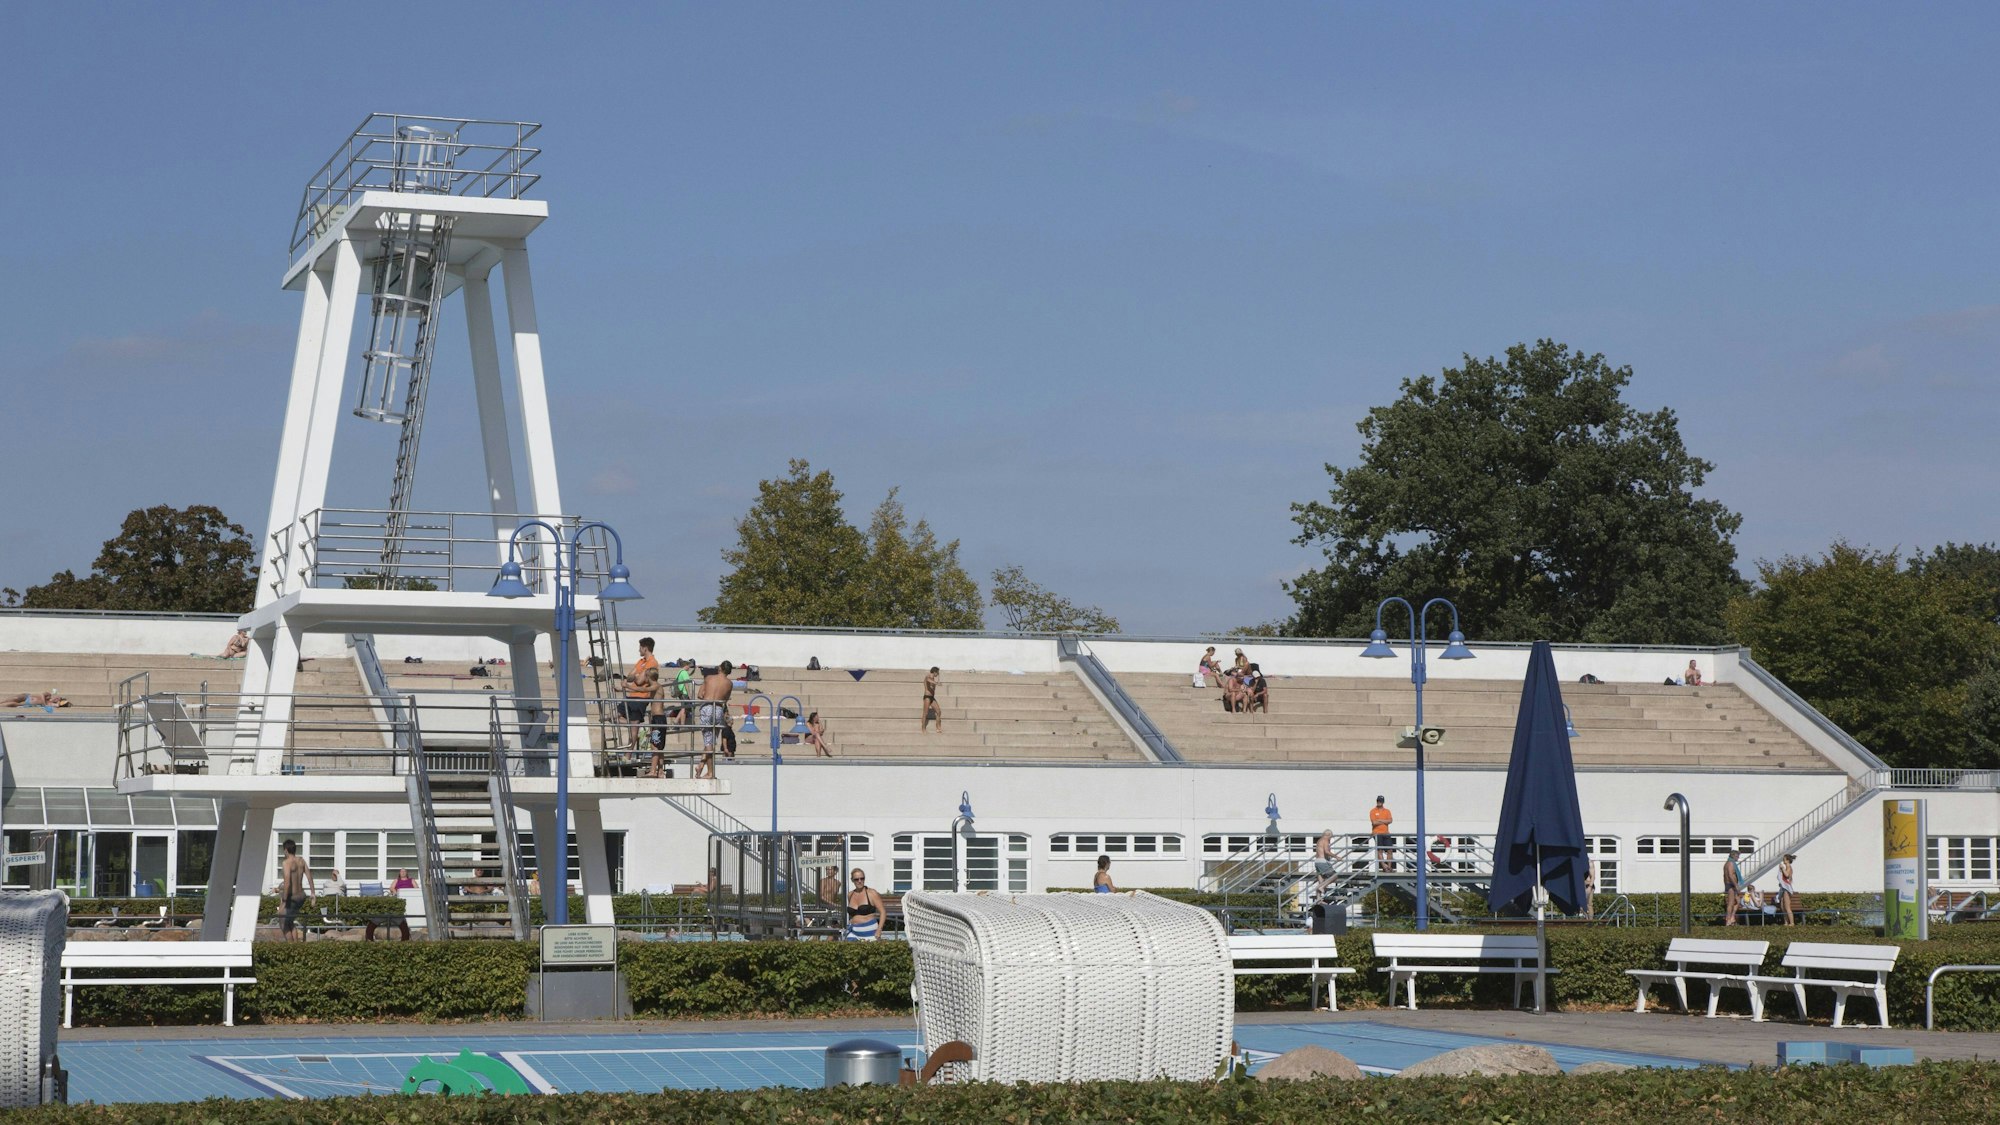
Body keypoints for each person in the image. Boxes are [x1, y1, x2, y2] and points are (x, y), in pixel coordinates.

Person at [694, 661, 734, 780]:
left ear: (720, 668)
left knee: (708, 742)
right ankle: (701, 765)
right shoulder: (729, 683)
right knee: (711, 742)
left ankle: (710, 772)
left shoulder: (709, 678)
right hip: (718, 709)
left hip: (707, 707)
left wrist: (709, 693)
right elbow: (726, 699)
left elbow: (700, 695)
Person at [623, 638, 661, 751]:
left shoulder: (652, 663)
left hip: (641, 698)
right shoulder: (641, 661)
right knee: (612, 716)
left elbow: (639, 681)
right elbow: (630, 676)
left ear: (645, 648)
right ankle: (635, 730)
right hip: (632, 695)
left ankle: (628, 755)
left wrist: (635, 677)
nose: (638, 650)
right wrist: (636, 676)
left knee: (634, 727)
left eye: (640, 647)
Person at [278, 839, 314, 942]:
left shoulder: (286, 863)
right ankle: (296, 946)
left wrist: (284, 901)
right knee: (290, 921)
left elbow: (287, 883)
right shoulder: (301, 860)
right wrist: (313, 893)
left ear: (285, 850)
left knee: (283, 923)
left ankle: (291, 949)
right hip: (301, 896)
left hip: (292, 898)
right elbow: (309, 876)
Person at [846, 868, 885, 940]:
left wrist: (879, 930)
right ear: (852, 880)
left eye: (862, 878)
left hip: (870, 932)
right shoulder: (850, 894)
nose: (860, 881)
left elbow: (883, 912)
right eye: (856, 879)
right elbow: (854, 914)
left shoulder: (872, 893)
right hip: (854, 932)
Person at [1370, 796, 1395, 872]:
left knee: (1390, 850)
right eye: (1378, 801)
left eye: (1380, 801)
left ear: (1383, 802)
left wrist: (1380, 820)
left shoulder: (1387, 811)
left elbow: (1390, 820)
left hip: (1386, 833)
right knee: (1380, 850)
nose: (1379, 802)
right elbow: (1374, 822)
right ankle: (1384, 867)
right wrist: (1385, 821)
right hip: (1377, 833)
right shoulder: (1373, 811)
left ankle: (1389, 867)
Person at [1313, 829, 1338, 899]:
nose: (1330, 839)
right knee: (1334, 876)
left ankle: (1319, 899)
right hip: (1322, 862)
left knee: (1321, 880)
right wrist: (1336, 857)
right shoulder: (1325, 840)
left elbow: (1321, 851)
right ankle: (1322, 887)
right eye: (1331, 837)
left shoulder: (1319, 840)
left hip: (1317, 861)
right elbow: (1326, 851)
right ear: (1328, 835)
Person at [1722, 850, 1743, 926]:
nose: (1738, 858)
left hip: (1730, 884)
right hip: (1731, 885)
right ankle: (1728, 920)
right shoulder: (1730, 864)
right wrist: (1735, 885)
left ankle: (1732, 917)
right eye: (1737, 856)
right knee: (1731, 903)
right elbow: (1730, 875)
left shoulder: (1728, 863)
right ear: (1733, 856)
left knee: (1737, 900)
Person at [1778, 853, 1798, 926]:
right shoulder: (1786, 867)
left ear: (1787, 860)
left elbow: (1787, 875)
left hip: (1787, 889)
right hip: (1783, 888)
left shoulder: (1788, 867)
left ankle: (1792, 923)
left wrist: (1782, 868)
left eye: (1784, 858)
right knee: (1782, 906)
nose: (1783, 860)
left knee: (1787, 906)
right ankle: (1786, 922)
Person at [921, 667, 943, 733]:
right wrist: (936, 683)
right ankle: (923, 728)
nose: (938, 674)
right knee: (925, 713)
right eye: (937, 673)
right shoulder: (928, 676)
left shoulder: (933, 679)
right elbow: (928, 680)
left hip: (932, 697)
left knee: (938, 711)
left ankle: (938, 727)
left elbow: (933, 687)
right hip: (927, 697)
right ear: (934, 672)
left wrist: (938, 678)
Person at [3, 692, 69, 710]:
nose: (57, 699)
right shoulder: (49, 695)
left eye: (59, 700)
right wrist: (44, 703)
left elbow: (57, 706)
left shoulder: (51, 704)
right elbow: (42, 694)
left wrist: (59, 703)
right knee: (14, 698)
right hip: (27, 696)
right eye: (58, 697)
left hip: (28, 703)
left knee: (11, 704)